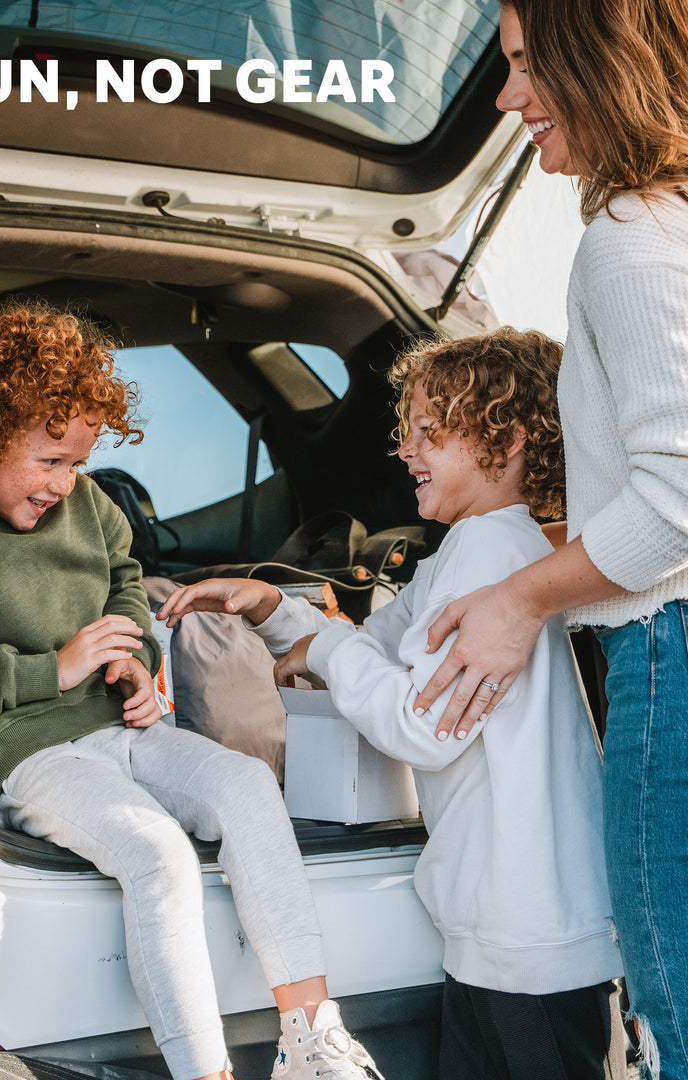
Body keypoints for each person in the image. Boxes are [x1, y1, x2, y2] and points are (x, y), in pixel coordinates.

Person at [0, 303, 384, 1080]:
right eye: (49, 460)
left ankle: (310, 1035)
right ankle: (204, 1071)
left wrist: (134, 651)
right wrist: (52, 668)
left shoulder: (89, 507)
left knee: (246, 784)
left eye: (78, 463)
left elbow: (125, 587)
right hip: (16, 752)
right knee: (156, 850)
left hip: (122, 726)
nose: (65, 484)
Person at [158, 328, 625, 1080]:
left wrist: (326, 651)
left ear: (503, 445)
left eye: (431, 434)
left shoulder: (491, 556)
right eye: (408, 433)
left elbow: (424, 725)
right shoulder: (473, 554)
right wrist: (274, 607)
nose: (407, 451)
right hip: (499, 932)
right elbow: (373, 642)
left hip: (525, 941)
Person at [408, 3, 688, 1075]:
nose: (506, 96)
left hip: (668, 652)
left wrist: (522, 596)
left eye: (527, 64)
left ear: (601, 62)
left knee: (672, 1004)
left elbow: (677, 496)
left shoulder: (631, 236)